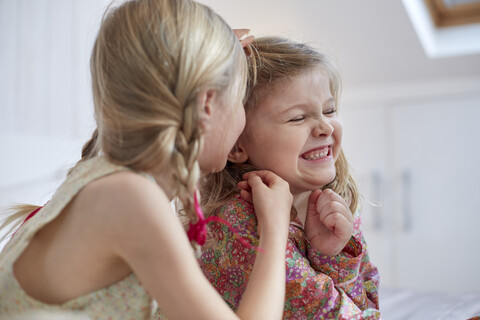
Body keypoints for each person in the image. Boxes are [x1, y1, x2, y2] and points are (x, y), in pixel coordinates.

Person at [0, 1, 293, 319]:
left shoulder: (104, 179)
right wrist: (275, 228)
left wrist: (214, 64)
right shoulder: (131, 199)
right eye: (238, 101)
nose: (241, 120)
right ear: (207, 104)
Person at [199, 36, 382, 319]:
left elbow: (368, 304)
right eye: (298, 118)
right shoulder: (239, 224)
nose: (324, 126)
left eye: (330, 110)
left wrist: (333, 254)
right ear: (237, 145)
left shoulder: (333, 202)